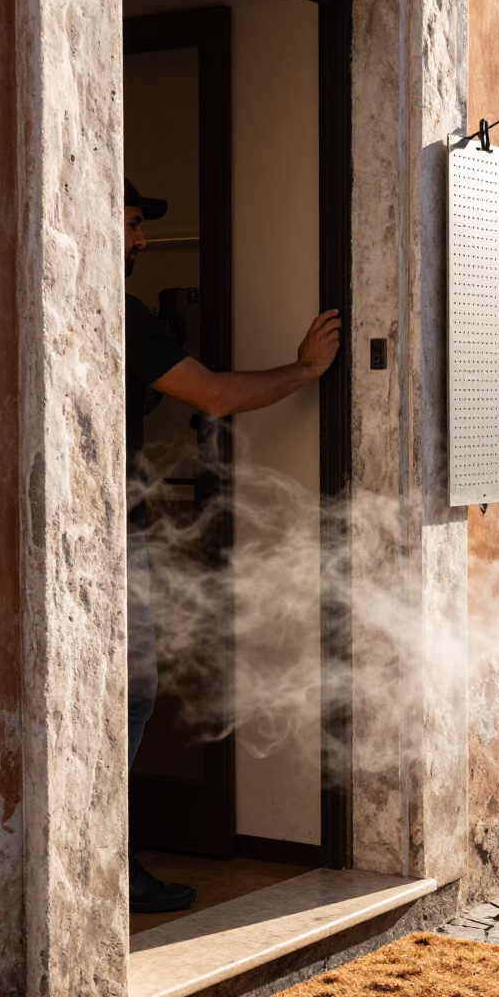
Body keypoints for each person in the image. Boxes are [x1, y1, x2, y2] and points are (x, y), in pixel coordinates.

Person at [124, 179, 341, 913]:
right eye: (130, 224)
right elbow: (214, 395)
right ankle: (107, 867)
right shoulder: (116, 315)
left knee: (119, 694)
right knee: (129, 693)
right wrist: (306, 371)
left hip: (99, 527)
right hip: (106, 537)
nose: (141, 240)